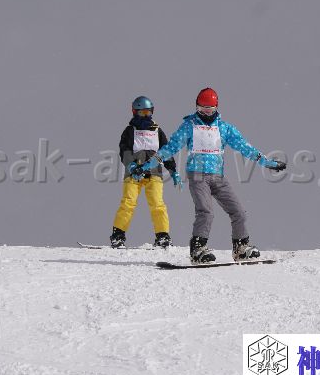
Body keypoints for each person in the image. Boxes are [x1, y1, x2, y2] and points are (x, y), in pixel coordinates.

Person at [128, 88, 286, 263]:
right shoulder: (189, 126)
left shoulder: (224, 128)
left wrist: (267, 163)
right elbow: (169, 149)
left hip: (218, 177)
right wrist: (146, 166)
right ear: (196, 107)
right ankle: (198, 249)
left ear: (216, 108)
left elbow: (244, 147)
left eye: (210, 110)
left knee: (239, 212)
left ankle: (241, 247)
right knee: (206, 211)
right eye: (202, 110)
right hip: (198, 176)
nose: (206, 114)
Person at [109, 96, 182, 248]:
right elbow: (124, 150)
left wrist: (173, 170)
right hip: (133, 173)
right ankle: (118, 235)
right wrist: (131, 165)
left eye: (148, 112)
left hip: (154, 173)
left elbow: (165, 151)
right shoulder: (130, 131)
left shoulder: (157, 131)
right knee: (128, 202)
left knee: (157, 204)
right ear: (135, 112)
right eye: (142, 113)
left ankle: (162, 236)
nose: (146, 116)